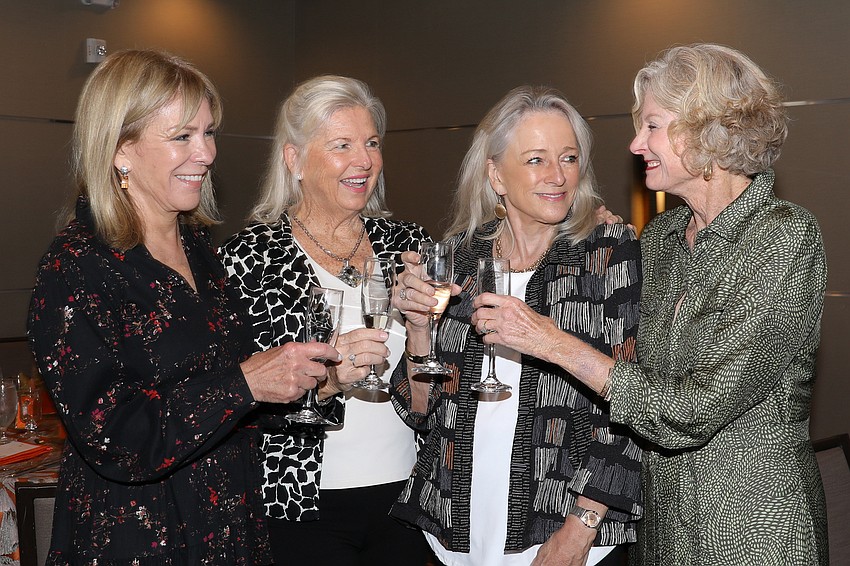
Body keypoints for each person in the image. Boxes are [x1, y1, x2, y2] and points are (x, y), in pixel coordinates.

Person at [472, 44, 830, 565]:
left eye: (653, 126)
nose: (636, 144)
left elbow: (693, 409)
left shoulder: (783, 239)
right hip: (663, 531)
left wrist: (553, 344)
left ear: (709, 128)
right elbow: (634, 360)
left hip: (754, 529)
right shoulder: (661, 237)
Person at [27, 49, 339, 565]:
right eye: (182, 137)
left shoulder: (200, 250)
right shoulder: (76, 266)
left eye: (208, 132)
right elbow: (113, 437)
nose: (207, 153)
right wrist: (247, 382)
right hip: (141, 537)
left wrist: (302, 386)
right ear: (120, 149)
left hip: (230, 526)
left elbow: (233, 403)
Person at [390, 85, 643, 566]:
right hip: (458, 523)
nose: (557, 176)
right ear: (495, 176)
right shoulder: (460, 256)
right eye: (535, 160)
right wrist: (419, 330)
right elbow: (423, 409)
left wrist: (580, 529)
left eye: (569, 158)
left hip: (558, 522)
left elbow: (630, 401)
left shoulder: (606, 249)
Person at [220, 75, 432, 565]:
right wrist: (331, 380)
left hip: (407, 496)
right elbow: (235, 399)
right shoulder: (249, 257)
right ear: (294, 159)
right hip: (300, 506)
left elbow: (441, 370)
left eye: (372, 143)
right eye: (341, 145)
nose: (364, 161)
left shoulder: (407, 242)